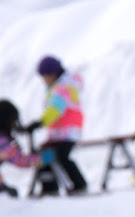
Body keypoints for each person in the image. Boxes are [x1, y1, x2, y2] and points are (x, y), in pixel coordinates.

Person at [25, 55, 88, 196]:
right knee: (44, 156)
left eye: (45, 77)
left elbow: (55, 109)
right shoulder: (58, 87)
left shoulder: (63, 88)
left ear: (53, 74)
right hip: (59, 133)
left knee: (61, 156)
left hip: (68, 132)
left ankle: (80, 185)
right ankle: (49, 186)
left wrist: (40, 122)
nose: (44, 81)